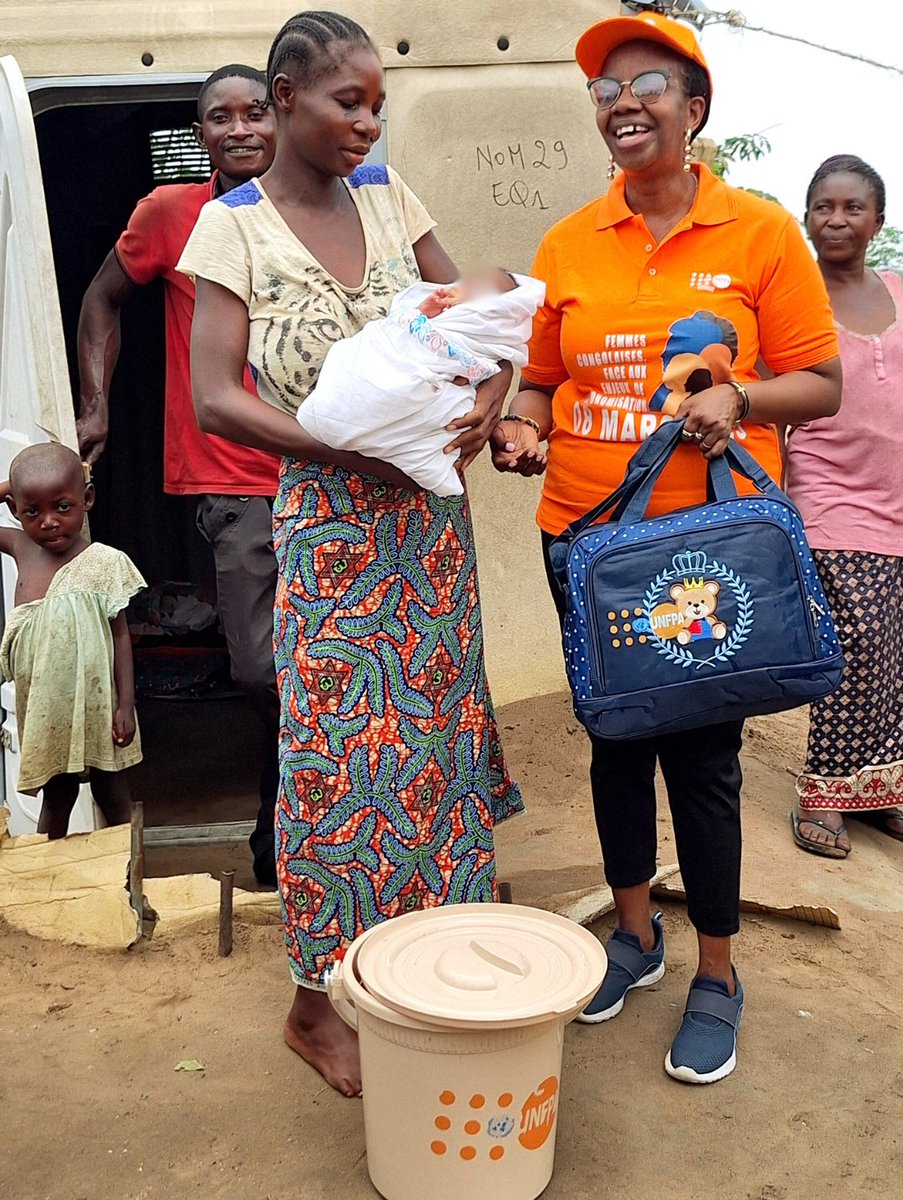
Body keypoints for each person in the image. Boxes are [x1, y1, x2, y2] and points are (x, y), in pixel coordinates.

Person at [491, 11, 841, 1084]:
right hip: (590, 548)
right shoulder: (568, 243)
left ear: (694, 112)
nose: (621, 101)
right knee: (615, 738)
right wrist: (525, 423)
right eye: (604, 89)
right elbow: (546, 375)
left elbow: (819, 384)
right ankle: (635, 938)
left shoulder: (762, 233)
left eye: (646, 83)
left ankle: (719, 972)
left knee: (703, 757)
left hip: (711, 555)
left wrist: (738, 396)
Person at [178, 10, 522, 1098]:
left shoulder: (391, 198)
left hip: (427, 520)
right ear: (284, 98)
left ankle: (433, 953)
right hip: (329, 525)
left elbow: (485, 319)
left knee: (439, 743)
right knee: (335, 762)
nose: (369, 122)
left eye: (379, 102)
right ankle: (314, 1003)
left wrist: (488, 403)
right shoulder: (228, 229)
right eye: (348, 101)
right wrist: (348, 449)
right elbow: (216, 395)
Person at [75, 65, 282, 886]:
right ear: (199, 136)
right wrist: (97, 408)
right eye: (219, 117)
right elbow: (101, 299)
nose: (239, 129)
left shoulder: (333, 209)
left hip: (335, 468)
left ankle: (287, 834)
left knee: (329, 657)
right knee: (262, 667)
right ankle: (286, 818)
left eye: (254, 112)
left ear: (283, 115)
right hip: (232, 478)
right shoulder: (173, 215)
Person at [785, 155, 903, 857]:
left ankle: (881, 788)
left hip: (896, 498)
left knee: (895, 652)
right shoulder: (794, 297)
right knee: (855, 640)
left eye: (851, 207)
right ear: (806, 218)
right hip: (827, 492)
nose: (835, 219)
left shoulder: (896, 289)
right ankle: (825, 790)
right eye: (823, 206)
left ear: (876, 221)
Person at [0, 445, 145, 839]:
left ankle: (130, 878)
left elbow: (120, 637)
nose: (48, 522)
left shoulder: (104, 561)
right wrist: (13, 486)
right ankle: (54, 883)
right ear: (14, 510)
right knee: (57, 796)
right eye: (33, 511)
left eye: (62, 507)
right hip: (50, 709)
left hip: (100, 707)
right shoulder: (22, 548)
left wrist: (126, 705)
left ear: (87, 499)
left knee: (112, 790)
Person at [295, 266, 544, 495]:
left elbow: (486, 359)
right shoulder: (439, 311)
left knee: (444, 406)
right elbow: (397, 329)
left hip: (424, 506)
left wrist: (499, 372)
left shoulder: (476, 328)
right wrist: (420, 314)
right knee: (371, 375)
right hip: (320, 482)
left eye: (479, 287)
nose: (464, 285)